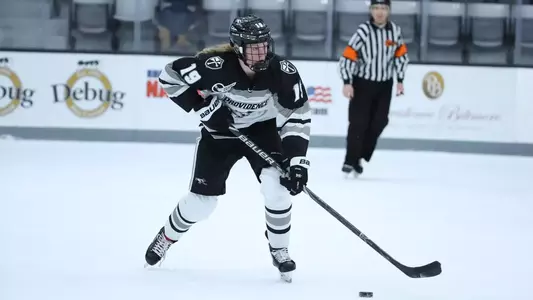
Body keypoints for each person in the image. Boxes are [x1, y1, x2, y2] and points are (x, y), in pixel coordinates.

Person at [144, 14, 311, 283]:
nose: (261, 52)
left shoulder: (283, 72)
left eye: (264, 45)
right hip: (219, 135)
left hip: (262, 133)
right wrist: (204, 108)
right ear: (237, 47)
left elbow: (298, 115)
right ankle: (166, 237)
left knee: (277, 190)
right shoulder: (213, 66)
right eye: (254, 47)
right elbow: (169, 76)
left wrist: (297, 161)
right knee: (201, 204)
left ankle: (279, 249)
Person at [338, 0, 409, 177]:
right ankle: (350, 160)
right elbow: (348, 56)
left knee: (379, 121)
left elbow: (401, 56)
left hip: (385, 84)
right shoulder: (363, 31)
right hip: (362, 83)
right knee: (358, 123)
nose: (380, 12)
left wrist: (400, 80)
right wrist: (347, 81)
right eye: (376, 8)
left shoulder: (395, 31)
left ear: (389, 11)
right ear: (371, 10)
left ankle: (359, 156)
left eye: (383, 8)